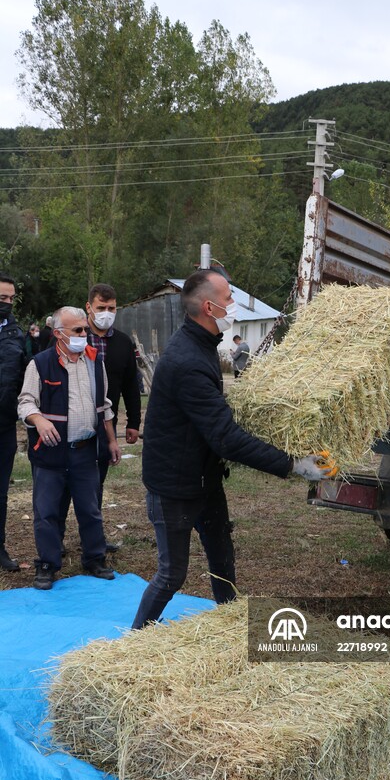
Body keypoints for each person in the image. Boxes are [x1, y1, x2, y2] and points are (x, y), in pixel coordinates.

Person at [131, 269, 335, 630]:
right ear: (209, 308)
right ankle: (135, 638)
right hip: (174, 486)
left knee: (223, 561)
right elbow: (225, 437)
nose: (234, 304)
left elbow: (214, 420)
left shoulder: (202, 345)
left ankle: (229, 628)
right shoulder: (187, 361)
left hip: (204, 478)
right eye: (228, 298)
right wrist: (292, 465)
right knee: (172, 573)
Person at [17, 306, 121, 590]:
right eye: (78, 330)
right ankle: (47, 564)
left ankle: (95, 558)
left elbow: (105, 406)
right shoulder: (40, 364)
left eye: (85, 329)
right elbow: (25, 402)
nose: (84, 334)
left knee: (90, 509)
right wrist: (38, 419)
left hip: (85, 451)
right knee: (47, 512)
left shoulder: (94, 361)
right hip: (50, 452)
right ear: (59, 333)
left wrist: (112, 440)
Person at [81, 283, 141, 550]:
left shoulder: (123, 342)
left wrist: (134, 422)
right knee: (66, 483)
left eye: (111, 308)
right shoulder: (76, 337)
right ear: (89, 307)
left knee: (97, 482)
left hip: (107, 422)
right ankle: (55, 539)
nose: (106, 313)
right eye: (101, 307)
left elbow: (131, 385)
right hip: (73, 422)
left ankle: (93, 539)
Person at [0, 273, 25, 572]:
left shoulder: (16, 334)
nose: (7, 303)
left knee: (0, 492)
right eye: (1, 298)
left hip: (4, 424)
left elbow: (23, 375)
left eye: (10, 298)